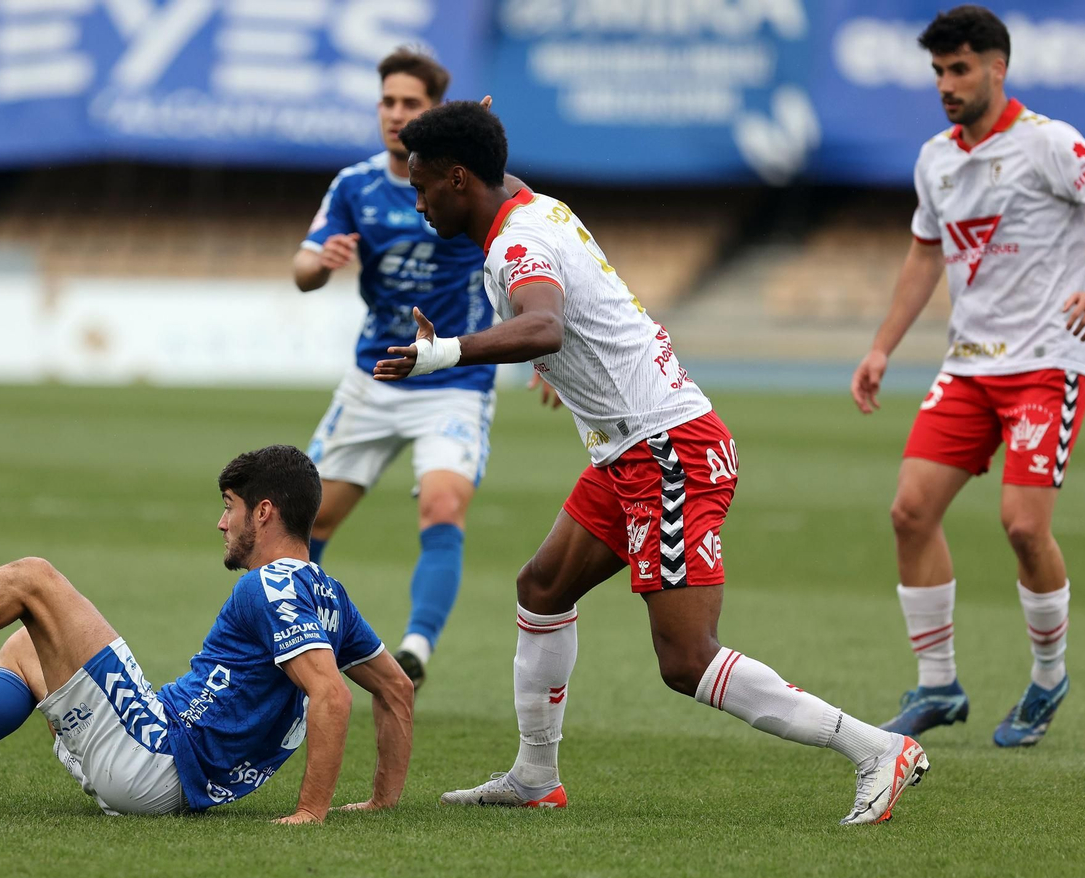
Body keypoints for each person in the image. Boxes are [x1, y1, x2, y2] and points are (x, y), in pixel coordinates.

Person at [379, 101, 927, 825]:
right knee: (542, 587)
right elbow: (552, 312)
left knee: (686, 659)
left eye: (422, 187)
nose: (416, 202)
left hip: (668, 453)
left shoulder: (516, 246)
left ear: (457, 179)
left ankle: (877, 749)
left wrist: (443, 353)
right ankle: (535, 776)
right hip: (629, 447)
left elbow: (543, 324)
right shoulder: (527, 205)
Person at [0, 445, 415, 823]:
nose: (220, 522)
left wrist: (311, 812)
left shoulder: (268, 587)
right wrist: (382, 804)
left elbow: (329, 697)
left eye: (229, 505)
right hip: (172, 766)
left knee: (33, 581)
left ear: (265, 512)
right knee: (27, 644)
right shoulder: (328, 597)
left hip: (160, 757)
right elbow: (396, 693)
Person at [850, 6, 1085, 748]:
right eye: (938, 71)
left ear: (997, 69)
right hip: (968, 368)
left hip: (1046, 365)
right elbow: (924, 255)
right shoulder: (936, 157)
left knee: (1024, 527)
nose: (946, 84)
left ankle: (1048, 675)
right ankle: (939, 687)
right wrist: (881, 349)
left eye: (959, 69)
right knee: (909, 511)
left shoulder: (1050, 143)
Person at [293, 47, 510, 688]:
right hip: (374, 375)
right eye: (387, 101)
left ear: (433, 112)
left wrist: (548, 357)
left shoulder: (468, 182)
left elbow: (522, 261)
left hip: (453, 380)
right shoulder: (354, 185)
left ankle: (414, 649)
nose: (395, 113)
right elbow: (302, 269)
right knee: (307, 524)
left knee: (442, 504)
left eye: (410, 104)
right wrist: (321, 261)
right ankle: (292, 641)